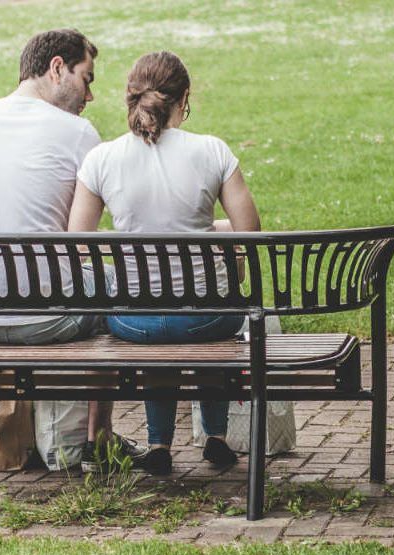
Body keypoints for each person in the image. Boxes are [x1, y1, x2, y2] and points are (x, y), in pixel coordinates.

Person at [0, 29, 136, 470]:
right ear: (57, 68)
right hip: (49, 321)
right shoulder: (78, 134)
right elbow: (84, 243)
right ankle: (97, 436)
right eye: (87, 78)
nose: (90, 95)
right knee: (115, 293)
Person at [68, 51, 259, 476]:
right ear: (183, 98)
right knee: (211, 324)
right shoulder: (212, 151)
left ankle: (158, 443)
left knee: (156, 332)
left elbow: (78, 241)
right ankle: (216, 436)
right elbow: (250, 232)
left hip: (135, 320)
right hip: (210, 318)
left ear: (131, 98)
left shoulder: (102, 159)